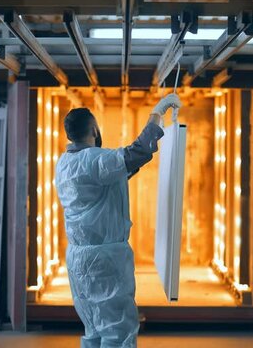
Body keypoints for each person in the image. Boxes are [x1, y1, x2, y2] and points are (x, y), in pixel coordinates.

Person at [55, 93, 182, 348]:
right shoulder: (94, 159)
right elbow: (136, 153)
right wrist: (157, 113)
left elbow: (116, 173)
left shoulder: (65, 163)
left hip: (78, 261)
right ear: (94, 128)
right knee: (117, 332)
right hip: (105, 263)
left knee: (93, 330)